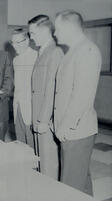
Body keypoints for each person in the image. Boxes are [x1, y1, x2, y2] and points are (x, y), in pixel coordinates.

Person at [54, 10, 102, 195]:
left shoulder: (87, 51)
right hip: (72, 128)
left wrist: (66, 125)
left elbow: (82, 96)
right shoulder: (74, 51)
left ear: (69, 28)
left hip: (77, 130)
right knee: (80, 181)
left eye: (58, 29)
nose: (55, 33)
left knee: (70, 186)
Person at [28, 15, 64, 180]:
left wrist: (43, 119)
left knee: (48, 163)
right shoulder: (42, 52)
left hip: (45, 119)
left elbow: (52, 89)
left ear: (44, 31)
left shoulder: (54, 52)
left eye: (33, 33)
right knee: (41, 160)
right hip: (38, 116)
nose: (31, 37)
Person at [10, 30, 37, 147]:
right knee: (20, 145)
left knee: (32, 146)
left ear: (27, 41)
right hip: (18, 108)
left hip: (31, 109)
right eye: (13, 43)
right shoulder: (16, 60)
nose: (14, 46)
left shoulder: (36, 57)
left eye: (18, 42)